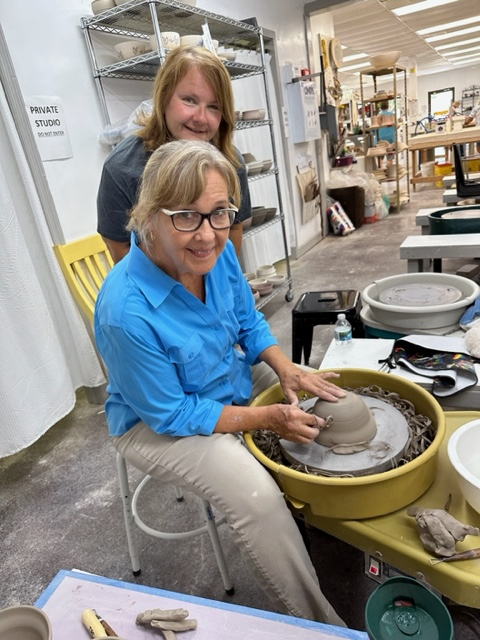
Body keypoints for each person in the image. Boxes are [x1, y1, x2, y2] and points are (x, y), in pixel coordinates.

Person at [94, 139, 347, 626]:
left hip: (221, 378)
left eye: (219, 213)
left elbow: (248, 321)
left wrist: (285, 367)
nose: (207, 234)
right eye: (186, 216)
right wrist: (265, 417)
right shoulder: (125, 311)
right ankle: (323, 626)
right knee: (256, 497)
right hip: (154, 423)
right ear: (149, 216)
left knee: (321, 400)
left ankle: (324, 532)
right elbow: (172, 413)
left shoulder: (219, 252)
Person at [97, 45, 251, 263]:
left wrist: (222, 279)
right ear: (164, 97)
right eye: (189, 100)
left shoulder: (230, 162)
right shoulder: (121, 168)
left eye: (214, 106)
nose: (201, 118)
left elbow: (234, 228)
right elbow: (120, 247)